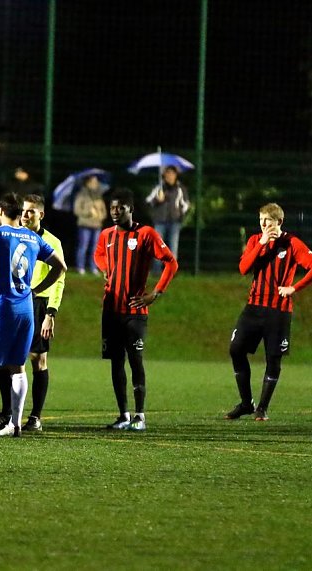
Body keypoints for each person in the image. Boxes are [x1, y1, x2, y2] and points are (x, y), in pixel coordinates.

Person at [0, 192, 66, 438]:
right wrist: (36, 289)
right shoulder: (33, 238)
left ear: (0, 211)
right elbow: (61, 267)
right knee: (17, 366)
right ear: (21, 213)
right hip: (26, 309)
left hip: (1, 306)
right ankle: (15, 424)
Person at [93, 188, 178, 432]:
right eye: (112, 208)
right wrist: (106, 267)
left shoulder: (146, 234)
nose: (115, 212)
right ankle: (123, 415)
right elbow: (98, 255)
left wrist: (155, 293)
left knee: (136, 360)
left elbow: (171, 262)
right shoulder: (106, 235)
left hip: (134, 311)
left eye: (120, 208)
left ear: (131, 209)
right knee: (115, 363)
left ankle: (140, 416)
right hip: (111, 310)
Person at [224, 203, 312, 421]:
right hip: (254, 307)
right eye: (261, 220)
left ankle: (261, 409)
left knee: (273, 359)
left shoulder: (292, 243)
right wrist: (261, 244)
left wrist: (294, 288)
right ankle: (246, 403)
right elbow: (243, 268)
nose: (264, 225)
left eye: (268, 221)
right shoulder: (256, 240)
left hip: (279, 311)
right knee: (236, 349)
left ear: (279, 222)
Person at [145, 166, 190, 269]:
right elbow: (148, 201)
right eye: (167, 173)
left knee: (173, 247)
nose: (169, 176)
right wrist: (157, 199)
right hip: (160, 221)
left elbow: (186, 204)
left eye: (172, 173)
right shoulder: (158, 188)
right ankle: (157, 270)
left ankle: (171, 270)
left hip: (175, 221)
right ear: (164, 175)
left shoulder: (180, 189)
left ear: (175, 175)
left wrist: (179, 215)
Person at [73, 174, 107, 275]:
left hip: (97, 225)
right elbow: (77, 210)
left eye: (96, 182)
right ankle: (80, 267)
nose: (95, 184)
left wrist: (100, 216)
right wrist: (88, 212)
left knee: (95, 248)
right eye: (93, 182)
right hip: (85, 225)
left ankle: (93, 267)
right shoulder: (81, 194)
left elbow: (104, 212)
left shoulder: (98, 196)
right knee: (83, 246)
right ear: (88, 183)